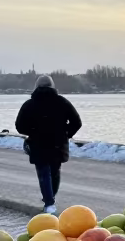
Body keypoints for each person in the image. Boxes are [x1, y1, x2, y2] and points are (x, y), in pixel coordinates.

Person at [15, 75, 81, 214]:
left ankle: (49, 203)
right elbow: (77, 122)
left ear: (36, 87)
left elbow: (20, 126)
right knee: (55, 172)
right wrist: (67, 133)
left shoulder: (29, 104)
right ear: (52, 86)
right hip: (58, 143)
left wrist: (32, 131)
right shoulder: (62, 102)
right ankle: (51, 198)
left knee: (43, 173)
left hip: (38, 143)